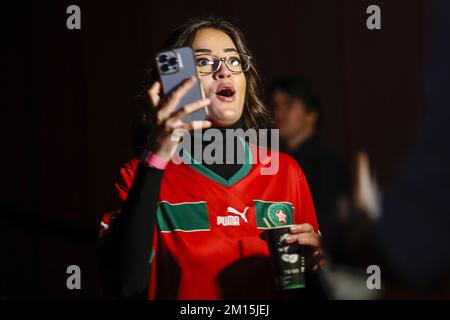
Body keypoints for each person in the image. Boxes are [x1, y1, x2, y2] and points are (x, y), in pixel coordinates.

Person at [98, 16, 322, 300]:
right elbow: (125, 284)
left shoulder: (285, 172)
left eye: (234, 61)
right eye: (204, 62)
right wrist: (156, 158)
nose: (224, 71)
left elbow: (307, 288)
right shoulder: (139, 175)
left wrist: (313, 267)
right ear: (175, 83)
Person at [270, 77, 349, 258]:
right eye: (275, 106)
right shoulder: (272, 163)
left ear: (311, 114)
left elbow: (333, 225)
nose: (279, 113)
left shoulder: (329, 163)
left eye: (288, 105)